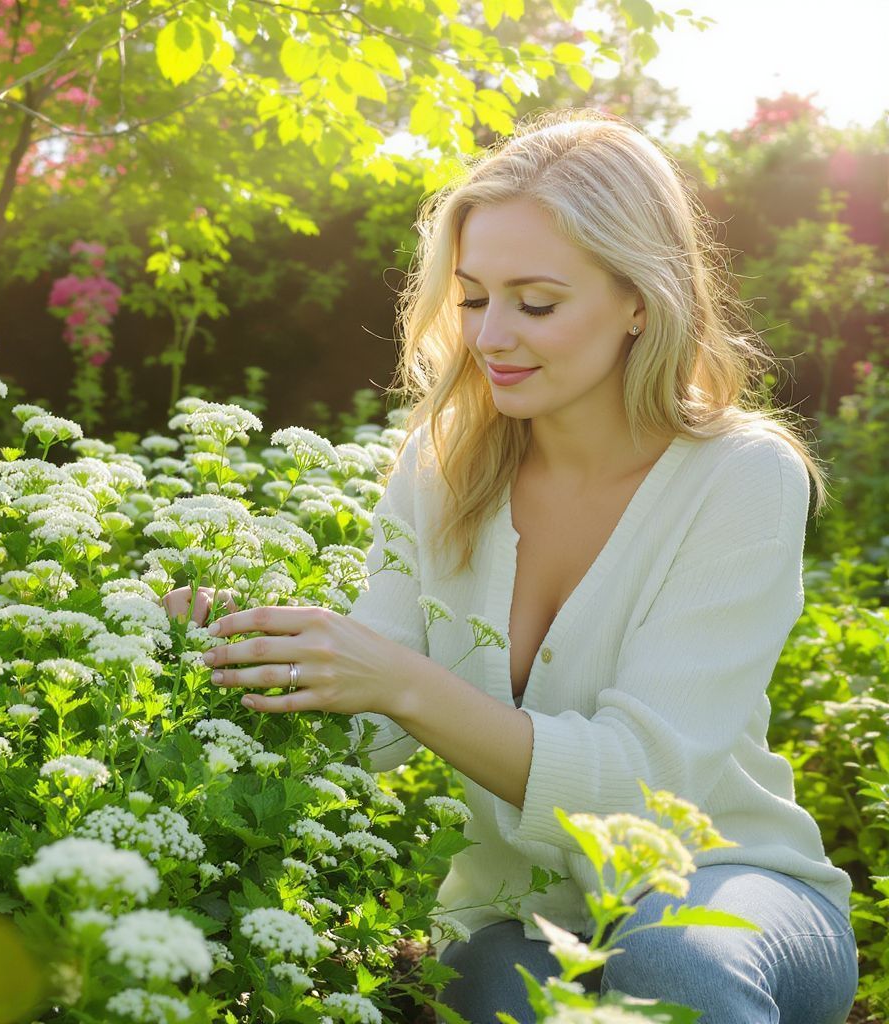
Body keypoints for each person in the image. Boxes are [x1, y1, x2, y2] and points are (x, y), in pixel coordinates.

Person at [162, 109, 858, 1023]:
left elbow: (641, 796)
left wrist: (401, 682)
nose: (491, 336)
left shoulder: (739, 476)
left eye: (536, 303)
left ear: (641, 300)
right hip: (516, 916)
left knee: (673, 966)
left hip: (729, 893)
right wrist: (257, 657)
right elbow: (369, 732)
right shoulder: (440, 466)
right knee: (487, 997)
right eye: (473, 297)